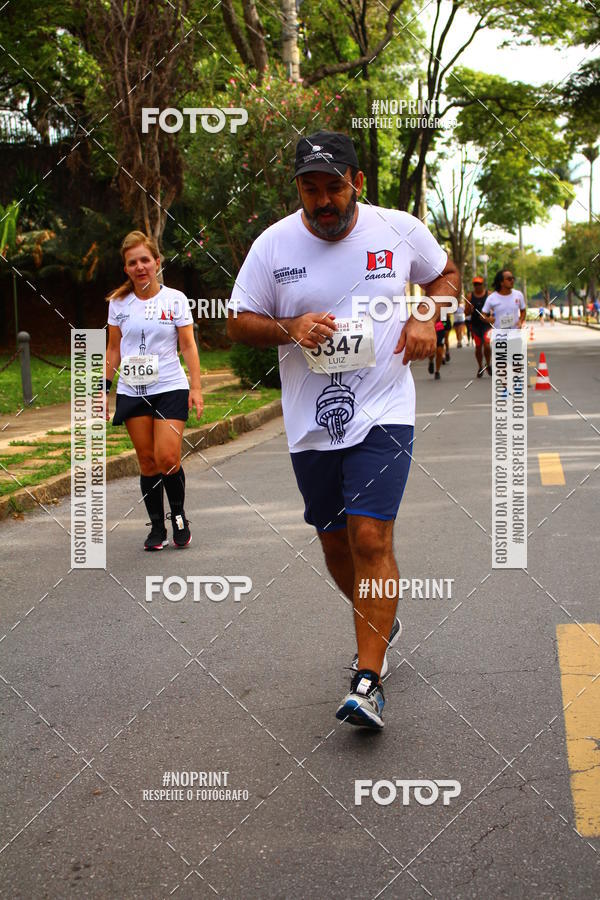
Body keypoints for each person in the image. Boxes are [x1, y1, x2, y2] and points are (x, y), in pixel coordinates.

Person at [227, 131, 459, 729]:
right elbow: (239, 321)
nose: (323, 200)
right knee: (334, 545)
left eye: (333, 187)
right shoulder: (274, 244)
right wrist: (291, 326)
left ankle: (368, 679)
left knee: (370, 540)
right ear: (298, 188)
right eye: (311, 189)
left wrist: (427, 316)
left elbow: (445, 275)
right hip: (311, 421)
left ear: (356, 181)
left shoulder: (398, 228)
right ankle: (379, 618)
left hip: (384, 411)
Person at [105, 231, 203, 550]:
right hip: (133, 391)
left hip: (170, 386)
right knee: (147, 462)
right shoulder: (119, 303)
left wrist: (196, 387)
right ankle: (157, 528)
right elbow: (113, 351)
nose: (140, 266)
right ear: (126, 269)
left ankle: (178, 518)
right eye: (132, 262)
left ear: (157, 262)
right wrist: (102, 390)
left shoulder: (174, 299)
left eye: (145, 260)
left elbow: (188, 344)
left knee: (168, 457)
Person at [465, 276, 492, 377]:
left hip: (486, 324)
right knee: (478, 347)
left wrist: (492, 317)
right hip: (475, 325)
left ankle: (488, 364)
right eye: (475, 284)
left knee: (486, 345)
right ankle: (480, 366)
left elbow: (494, 308)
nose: (477, 286)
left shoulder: (489, 295)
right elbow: (466, 312)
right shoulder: (470, 296)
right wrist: (470, 309)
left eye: (479, 284)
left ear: (482, 284)